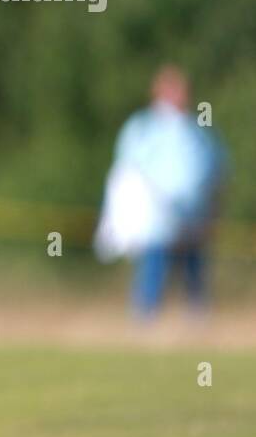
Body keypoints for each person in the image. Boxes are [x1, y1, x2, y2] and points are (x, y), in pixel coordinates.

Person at [95, 65, 228, 320]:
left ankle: (197, 320)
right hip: (155, 216)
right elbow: (126, 174)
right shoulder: (142, 128)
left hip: (193, 213)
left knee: (194, 269)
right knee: (154, 266)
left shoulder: (199, 131)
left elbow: (218, 172)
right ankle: (146, 318)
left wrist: (213, 210)